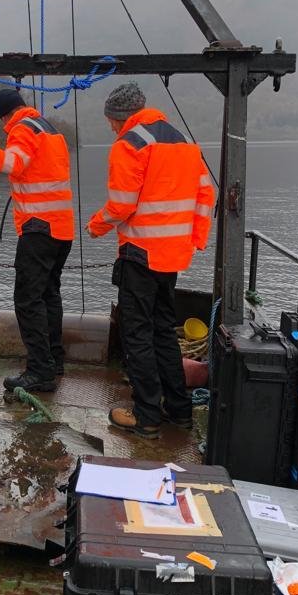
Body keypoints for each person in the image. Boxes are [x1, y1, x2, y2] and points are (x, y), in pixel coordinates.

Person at [87, 82, 215, 439]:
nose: (111, 127)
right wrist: (195, 239)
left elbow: (121, 204)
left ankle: (145, 416)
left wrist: (96, 226)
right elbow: (207, 194)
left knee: (137, 334)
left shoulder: (129, 144)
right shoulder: (184, 142)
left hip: (140, 254)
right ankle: (178, 409)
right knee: (162, 332)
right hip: (172, 257)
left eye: (110, 120)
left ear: (119, 117)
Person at [0, 87, 74, 392]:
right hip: (62, 228)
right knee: (49, 295)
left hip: (38, 228)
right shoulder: (50, 130)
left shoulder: (22, 128)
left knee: (27, 300)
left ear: (4, 115)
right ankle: (53, 361)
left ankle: (40, 371)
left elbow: (12, 164)